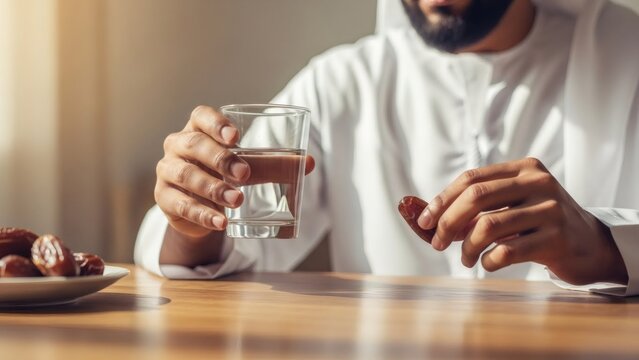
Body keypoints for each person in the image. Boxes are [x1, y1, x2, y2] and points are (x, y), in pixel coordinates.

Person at [135, 0, 639, 296]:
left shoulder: (629, 62)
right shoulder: (345, 82)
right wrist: (192, 212)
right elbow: (219, 249)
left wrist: (607, 249)